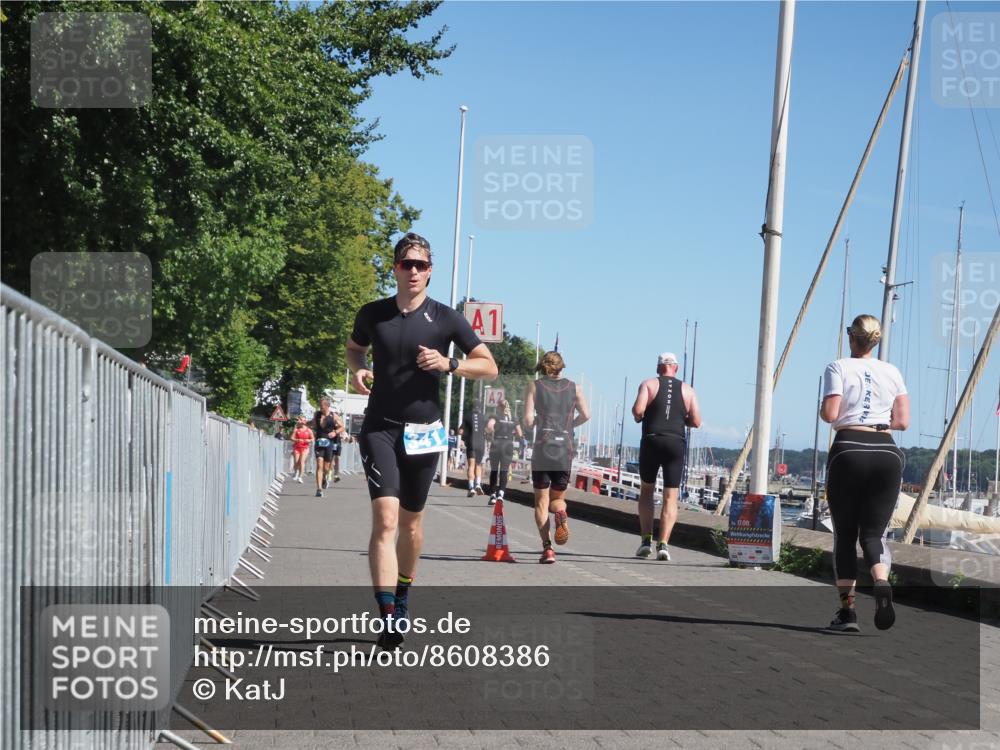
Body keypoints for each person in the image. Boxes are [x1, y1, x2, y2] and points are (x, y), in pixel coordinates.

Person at [346, 232, 498, 648]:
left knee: (411, 525)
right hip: (380, 426)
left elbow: (489, 366)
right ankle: (388, 614)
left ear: (430, 272)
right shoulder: (373, 313)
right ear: (394, 267)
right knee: (387, 520)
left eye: (421, 265)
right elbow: (354, 348)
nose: (413, 271)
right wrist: (358, 368)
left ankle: (404, 590)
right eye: (406, 263)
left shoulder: (446, 318)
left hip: (424, 432)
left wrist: (450, 364)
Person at [820, 314, 909, 633]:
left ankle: (847, 613)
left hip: (849, 448)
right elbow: (903, 420)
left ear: (851, 337)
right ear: (875, 340)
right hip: (886, 451)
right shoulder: (893, 371)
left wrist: (825, 408)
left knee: (845, 535)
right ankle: (881, 581)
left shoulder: (838, 367)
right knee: (872, 534)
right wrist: (881, 422)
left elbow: (831, 414)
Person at [631, 352, 702, 561]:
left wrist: (641, 416)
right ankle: (663, 544)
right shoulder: (688, 390)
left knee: (646, 490)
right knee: (671, 496)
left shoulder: (649, 384)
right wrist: (682, 420)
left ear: (658, 367)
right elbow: (697, 421)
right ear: (676, 368)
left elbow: (638, 410)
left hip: (652, 439)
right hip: (675, 442)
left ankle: (646, 540)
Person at [523, 351, 589, 563]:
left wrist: (533, 424)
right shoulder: (575, 388)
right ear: (562, 367)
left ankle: (548, 548)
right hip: (564, 449)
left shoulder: (535, 386)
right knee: (558, 499)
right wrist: (569, 426)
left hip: (543, 447)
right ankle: (561, 514)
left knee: (541, 503)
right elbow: (586, 415)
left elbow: (527, 419)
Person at [485, 399, 523, 505]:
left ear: (499, 407)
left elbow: (489, 427)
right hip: (508, 445)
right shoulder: (514, 418)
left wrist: (488, 433)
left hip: (497, 444)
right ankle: (501, 494)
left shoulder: (495, 417)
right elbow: (520, 433)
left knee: (494, 470)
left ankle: (493, 495)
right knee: (504, 471)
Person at [312, 398, 344, 498]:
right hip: (319, 442)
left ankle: (324, 478)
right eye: (320, 406)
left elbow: (342, 427)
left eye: (322, 406)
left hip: (329, 443)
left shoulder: (333, 415)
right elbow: (312, 424)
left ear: (327, 406)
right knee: (319, 465)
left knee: (326, 468)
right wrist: (303, 424)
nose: (320, 408)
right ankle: (319, 489)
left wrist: (335, 432)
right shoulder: (317, 415)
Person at [459, 403, 487, 496]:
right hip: (481, 444)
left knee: (471, 466)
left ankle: (471, 487)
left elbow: (460, 431)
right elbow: (488, 430)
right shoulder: (483, 417)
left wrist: (462, 435)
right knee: (478, 465)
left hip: (471, 443)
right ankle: (478, 484)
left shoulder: (467, 416)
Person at [290, 416, 314, 483]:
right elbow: (291, 438)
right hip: (297, 447)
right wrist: (297, 440)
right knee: (296, 462)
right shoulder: (296, 429)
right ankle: (296, 472)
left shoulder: (309, 430)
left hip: (305, 448)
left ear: (305, 422)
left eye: (303, 420)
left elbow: (312, 439)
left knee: (301, 461)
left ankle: (300, 477)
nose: (301, 421)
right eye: (300, 420)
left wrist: (308, 440)